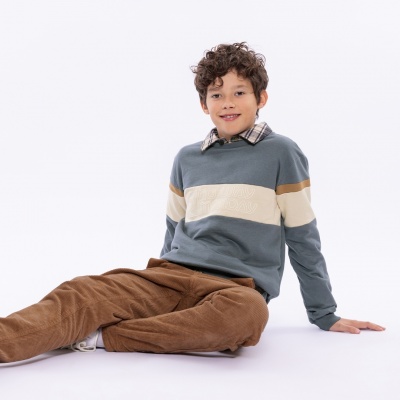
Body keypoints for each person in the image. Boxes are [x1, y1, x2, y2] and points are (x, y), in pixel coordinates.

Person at [0, 42, 384, 363]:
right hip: (171, 275)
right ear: (204, 104)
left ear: (261, 98)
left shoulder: (281, 153)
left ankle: (103, 337)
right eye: (216, 94)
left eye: (239, 92)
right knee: (83, 291)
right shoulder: (187, 158)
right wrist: (152, 293)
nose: (227, 103)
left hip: (236, 288)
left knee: (247, 318)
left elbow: (302, 236)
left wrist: (324, 313)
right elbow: (173, 230)